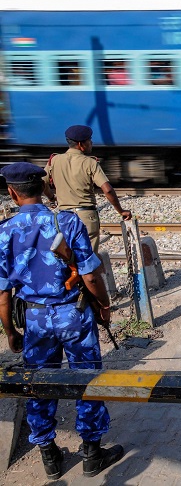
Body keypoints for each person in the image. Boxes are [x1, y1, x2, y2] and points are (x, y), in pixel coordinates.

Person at [0, 162, 124, 480]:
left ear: (12, 193)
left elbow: (3, 292)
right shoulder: (66, 221)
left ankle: (50, 457)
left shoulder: (5, 232)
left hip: (35, 319)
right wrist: (105, 305)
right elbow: (90, 275)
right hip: (74, 312)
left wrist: (10, 330)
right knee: (86, 378)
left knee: (39, 383)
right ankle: (93, 453)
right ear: (44, 188)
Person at [44, 125, 132, 254]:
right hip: (86, 217)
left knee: (69, 258)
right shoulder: (90, 163)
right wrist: (121, 211)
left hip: (64, 218)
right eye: (89, 140)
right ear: (81, 144)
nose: (92, 142)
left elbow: (42, 183)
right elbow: (107, 190)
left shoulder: (55, 160)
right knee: (88, 260)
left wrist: (52, 198)